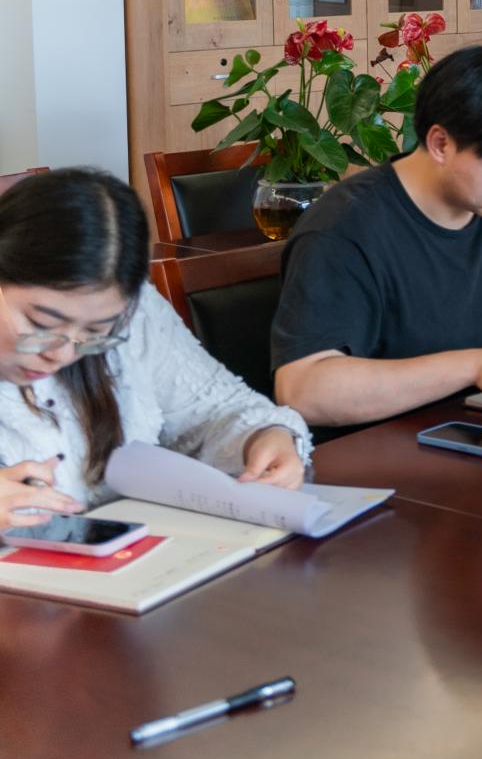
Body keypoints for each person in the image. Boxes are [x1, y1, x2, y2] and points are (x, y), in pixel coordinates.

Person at [272, 44, 482, 427]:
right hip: (384, 449)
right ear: (440, 144)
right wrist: (476, 365)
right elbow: (303, 391)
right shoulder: (343, 229)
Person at [0, 169, 311, 529]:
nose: (62, 354)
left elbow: (216, 410)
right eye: (41, 324)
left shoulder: (136, 318)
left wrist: (264, 436)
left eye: (95, 333)